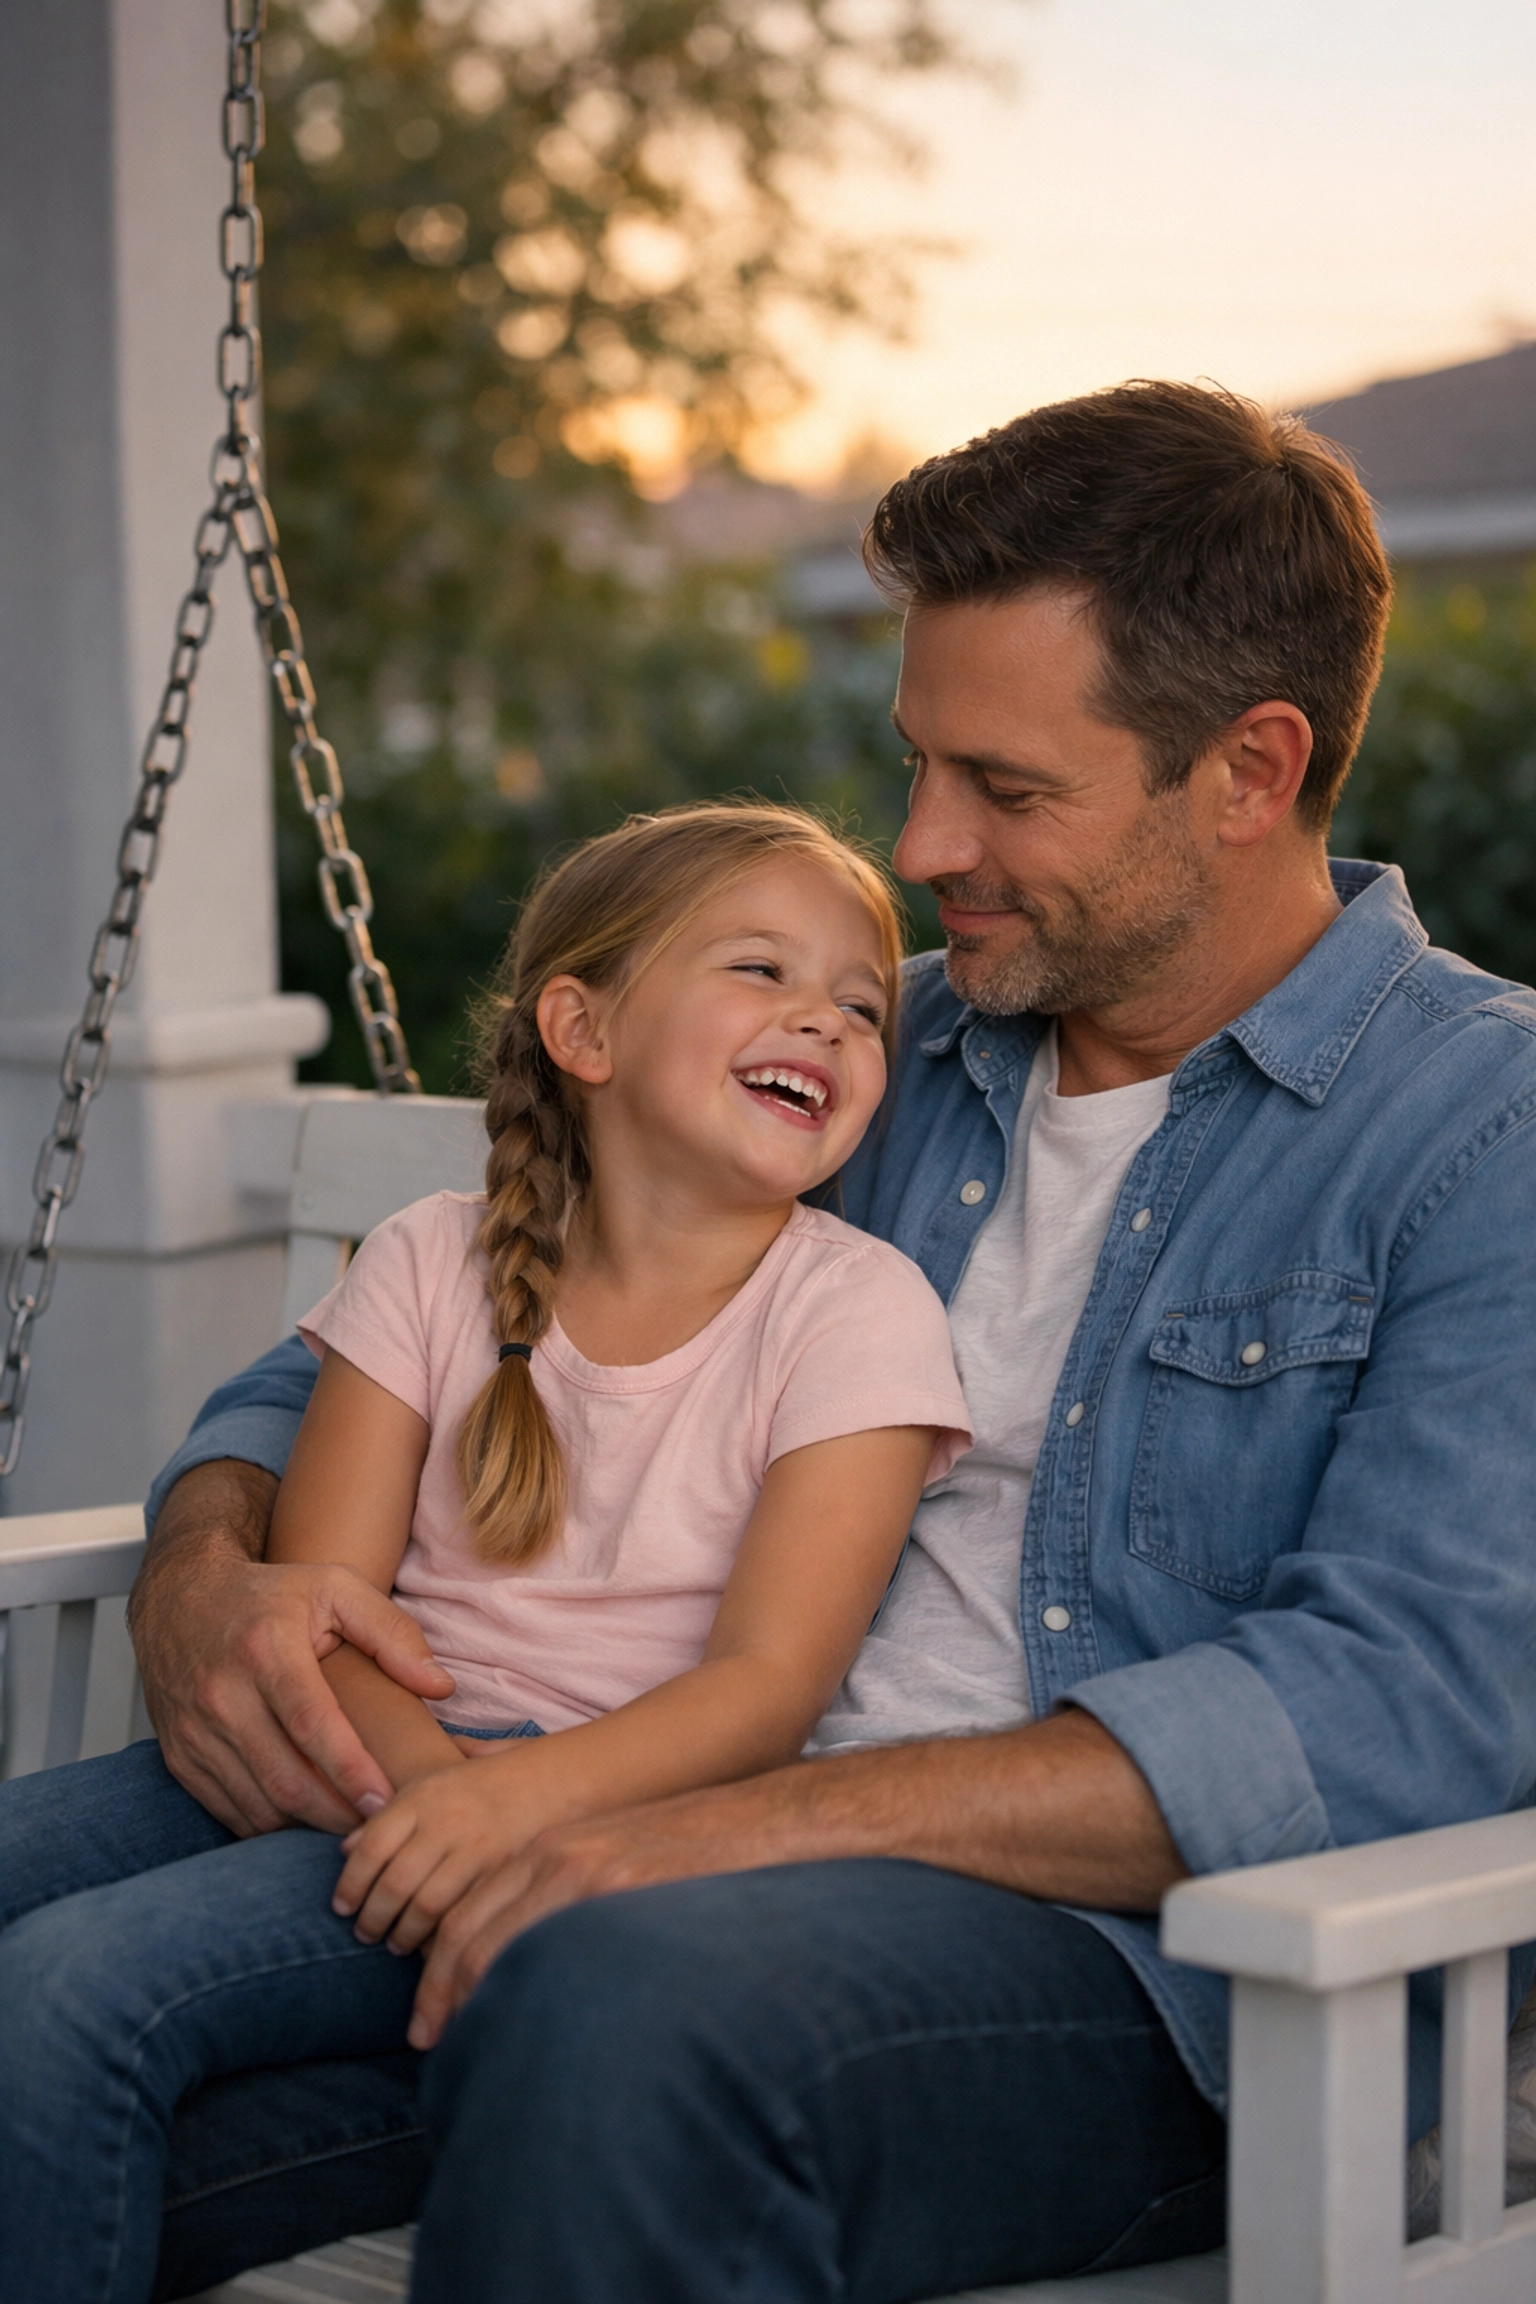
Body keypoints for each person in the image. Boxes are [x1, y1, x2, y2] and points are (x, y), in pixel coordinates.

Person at [7, 377, 1536, 2304]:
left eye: (1008, 787)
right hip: (607, 1856)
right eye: (917, 763)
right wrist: (205, 1568)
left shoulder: (1484, 1138)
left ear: (1249, 769)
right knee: (58, 2069)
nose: (920, 844)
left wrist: (713, 1836)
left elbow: (1391, 1716)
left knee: (611, 2008)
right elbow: (362, 1358)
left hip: (1141, 1988)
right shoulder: (869, 1049)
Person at [0, 804, 973, 2304]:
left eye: (862, 1001)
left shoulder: (855, 1315)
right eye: (762, 969)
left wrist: (503, 1814)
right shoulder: (428, 1261)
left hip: (588, 1822)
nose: (824, 1020)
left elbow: (770, 1688)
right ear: (582, 1027)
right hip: (352, 1767)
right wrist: (430, 1796)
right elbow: (321, 1607)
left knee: (70, 1998)